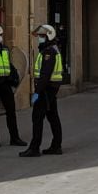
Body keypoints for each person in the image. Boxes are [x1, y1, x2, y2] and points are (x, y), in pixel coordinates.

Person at [20, 23, 63, 157]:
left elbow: (45, 75)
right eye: (39, 36)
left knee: (37, 117)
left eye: (42, 36)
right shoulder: (49, 49)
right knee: (52, 116)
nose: (39, 38)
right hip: (50, 89)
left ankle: (34, 148)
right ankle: (56, 146)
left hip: (46, 89)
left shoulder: (49, 52)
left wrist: (37, 92)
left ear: (49, 36)